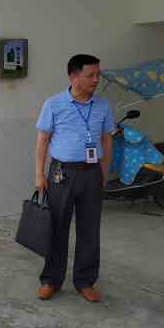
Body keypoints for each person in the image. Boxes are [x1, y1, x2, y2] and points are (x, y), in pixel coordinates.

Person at [34, 54, 114, 303]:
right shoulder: (54, 104)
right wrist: (39, 174)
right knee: (57, 227)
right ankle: (51, 280)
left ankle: (85, 281)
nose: (96, 79)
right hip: (61, 173)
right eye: (90, 75)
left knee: (90, 229)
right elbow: (42, 141)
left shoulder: (103, 105)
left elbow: (107, 140)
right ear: (73, 76)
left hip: (91, 173)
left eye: (98, 74)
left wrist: (104, 172)